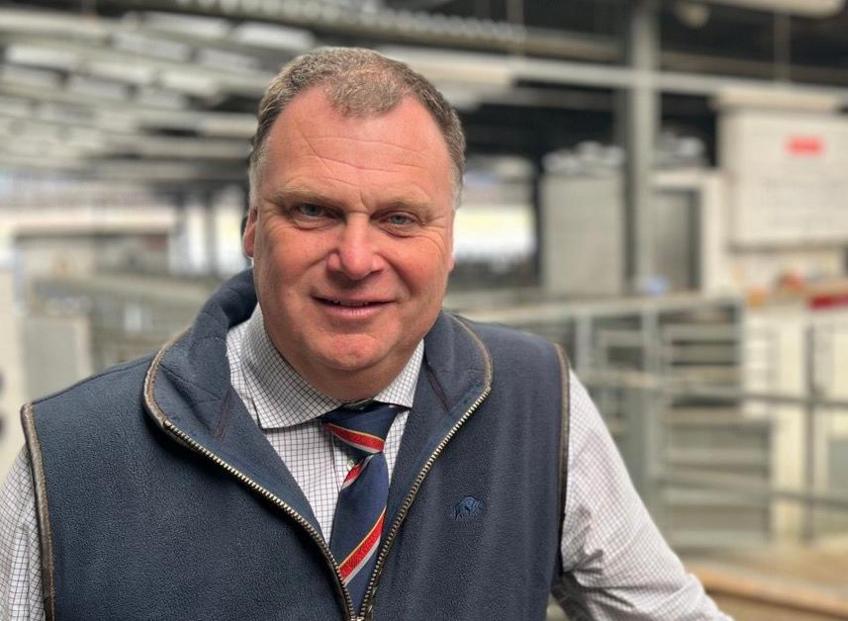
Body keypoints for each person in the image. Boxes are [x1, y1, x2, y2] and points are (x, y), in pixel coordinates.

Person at [0, 48, 731, 620]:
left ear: (447, 242)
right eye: (313, 211)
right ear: (252, 227)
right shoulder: (67, 463)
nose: (356, 259)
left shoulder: (537, 402)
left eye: (399, 218)